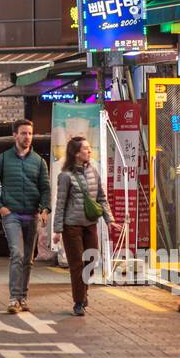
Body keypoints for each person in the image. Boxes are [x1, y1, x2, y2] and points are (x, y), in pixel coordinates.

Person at [0, 119, 51, 314]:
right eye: (23, 133)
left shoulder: (39, 161)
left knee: (28, 260)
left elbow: (45, 189)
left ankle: (23, 297)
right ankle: (14, 298)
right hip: (12, 215)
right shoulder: (3, 159)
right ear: (15, 135)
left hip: (31, 216)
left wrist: (45, 209)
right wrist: (0, 207)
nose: (27, 137)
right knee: (17, 254)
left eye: (30, 133)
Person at [53, 135, 107, 316]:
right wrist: (57, 231)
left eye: (89, 148)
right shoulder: (65, 176)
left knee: (91, 261)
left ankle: (83, 293)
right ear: (76, 153)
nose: (89, 151)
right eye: (85, 148)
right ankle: (79, 301)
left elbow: (101, 198)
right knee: (77, 265)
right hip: (72, 227)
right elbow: (60, 204)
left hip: (90, 224)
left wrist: (110, 219)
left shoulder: (93, 172)